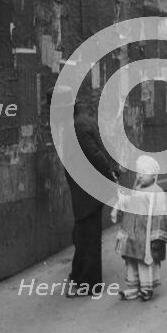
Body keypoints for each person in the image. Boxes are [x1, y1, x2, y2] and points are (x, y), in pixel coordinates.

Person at [50, 87, 118, 296]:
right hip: (87, 190)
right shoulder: (82, 121)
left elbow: (95, 155)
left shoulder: (77, 127)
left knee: (88, 237)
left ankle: (90, 283)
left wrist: (111, 177)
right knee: (83, 233)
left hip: (88, 191)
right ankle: (79, 274)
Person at [111, 156, 167, 302]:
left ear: (154, 175)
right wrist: (117, 206)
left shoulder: (157, 192)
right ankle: (132, 287)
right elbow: (129, 201)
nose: (139, 176)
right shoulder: (137, 189)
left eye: (144, 173)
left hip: (145, 235)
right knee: (131, 261)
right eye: (138, 172)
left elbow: (162, 214)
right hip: (131, 234)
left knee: (144, 262)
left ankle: (146, 288)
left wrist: (157, 237)